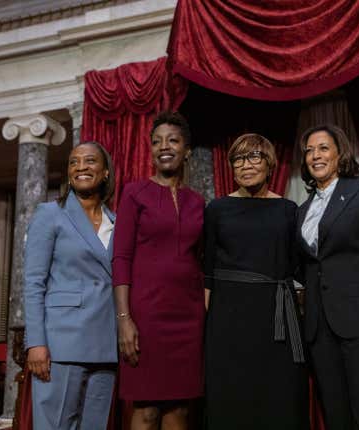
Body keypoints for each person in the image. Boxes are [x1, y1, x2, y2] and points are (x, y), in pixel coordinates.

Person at [296, 124, 359, 429]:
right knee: (336, 417)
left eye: (323, 148)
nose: (315, 156)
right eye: (309, 150)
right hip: (319, 329)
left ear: (340, 153)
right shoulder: (302, 211)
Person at [204, 133, 309, 430]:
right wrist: (207, 327)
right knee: (230, 396)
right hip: (227, 319)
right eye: (238, 159)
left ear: (270, 164)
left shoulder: (289, 210)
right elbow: (207, 272)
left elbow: (298, 266)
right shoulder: (216, 209)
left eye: (254, 157)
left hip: (277, 320)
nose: (245, 165)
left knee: (279, 396)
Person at [113, 111, 205, 430]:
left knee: (180, 410)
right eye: (156, 141)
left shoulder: (198, 202)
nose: (164, 146)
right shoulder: (133, 193)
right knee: (147, 409)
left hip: (188, 317)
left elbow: (203, 262)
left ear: (187, 150)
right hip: (146, 315)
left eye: (173, 140)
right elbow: (121, 258)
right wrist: (124, 320)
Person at [24, 141, 118, 430]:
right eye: (74, 162)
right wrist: (36, 343)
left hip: (105, 343)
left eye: (90, 161)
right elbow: (33, 282)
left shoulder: (118, 222)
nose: (81, 167)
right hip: (62, 341)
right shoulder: (50, 214)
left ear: (105, 173)